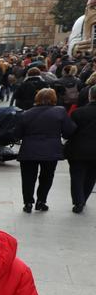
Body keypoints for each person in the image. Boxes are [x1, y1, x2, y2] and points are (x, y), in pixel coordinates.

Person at [15, 88, 76, 213]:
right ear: (54, 99)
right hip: (51, 150)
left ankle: (28, 203)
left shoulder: (26, 113)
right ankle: (41, 201)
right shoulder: (60, 112)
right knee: (47, 177)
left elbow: (17, 134)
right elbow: (68, 132)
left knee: (28, 177)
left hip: (29, 150)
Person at [66, 85, 96, 213]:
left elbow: (69, 132)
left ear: (90, 96)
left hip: (78, 149)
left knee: (77, 176)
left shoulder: (78, 112)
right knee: (91, 176)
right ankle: (84, 197)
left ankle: (79, 201)